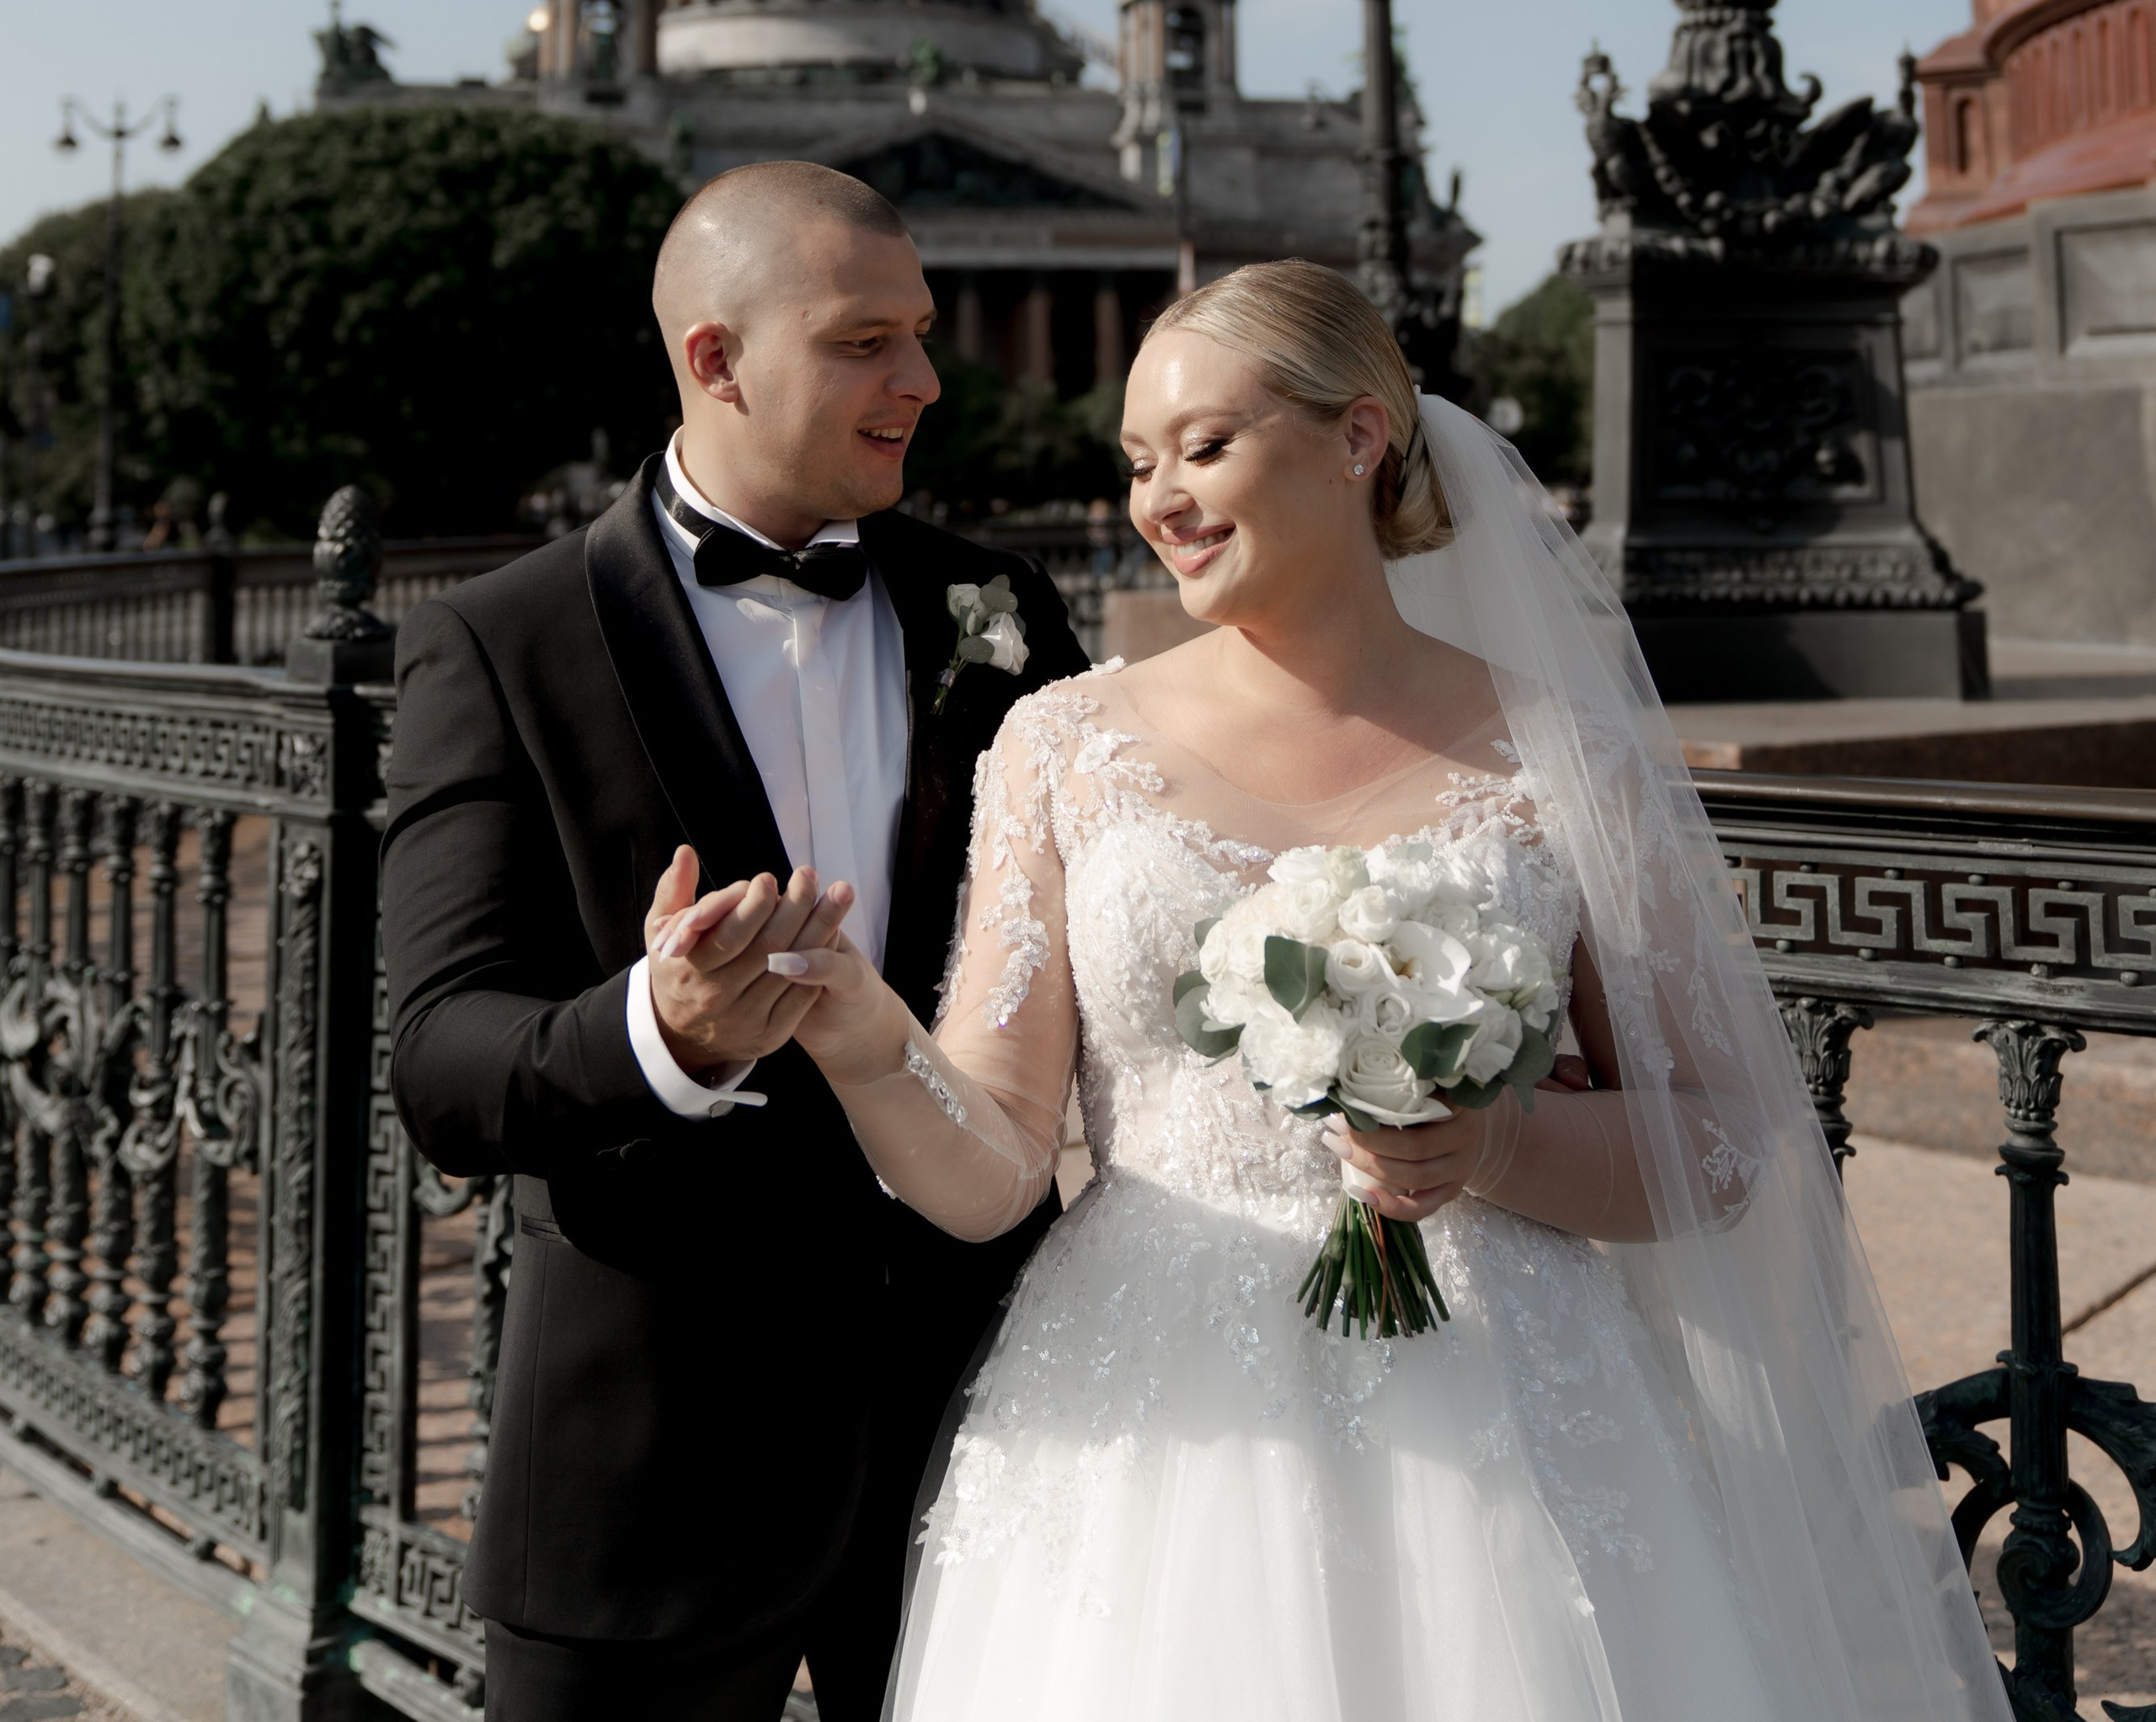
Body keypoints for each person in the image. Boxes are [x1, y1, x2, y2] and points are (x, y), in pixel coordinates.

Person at [760, 259, 2009, 1722]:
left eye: (1205, 446)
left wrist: (1499, 1145)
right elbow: (990, 1175)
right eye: (1141, 463)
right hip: (1162, 1428)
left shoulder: (1559, 752)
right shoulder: (1060, 745)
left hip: (1512, 1419)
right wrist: (863, 1037)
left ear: (1358, 437)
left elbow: (1722, 1142)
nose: (1162, 499)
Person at [379, 160, 1088, 1722]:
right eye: (864, 342)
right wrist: (665, 1031)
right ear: (716, 359)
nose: (923, 379)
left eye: (921, 333)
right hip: (649, 1470)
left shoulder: (999, 606)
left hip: (992, 1448)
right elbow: (439, 1059)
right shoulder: (500, 641)